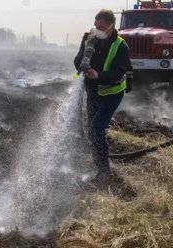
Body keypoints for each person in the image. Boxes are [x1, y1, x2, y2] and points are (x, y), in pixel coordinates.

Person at [74, 9, 131, 185]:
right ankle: (99, 168)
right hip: (93, 92)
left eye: (101, 27)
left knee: (96, 129)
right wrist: (84, 58)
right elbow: (77, 61)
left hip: (111, 94)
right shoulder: (89, 39)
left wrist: (98, 75)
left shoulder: (121, 46)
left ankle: (105, 172)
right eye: (95, 26)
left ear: (111, 27)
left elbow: (118, 72)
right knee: (92, 131)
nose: (97, 29)